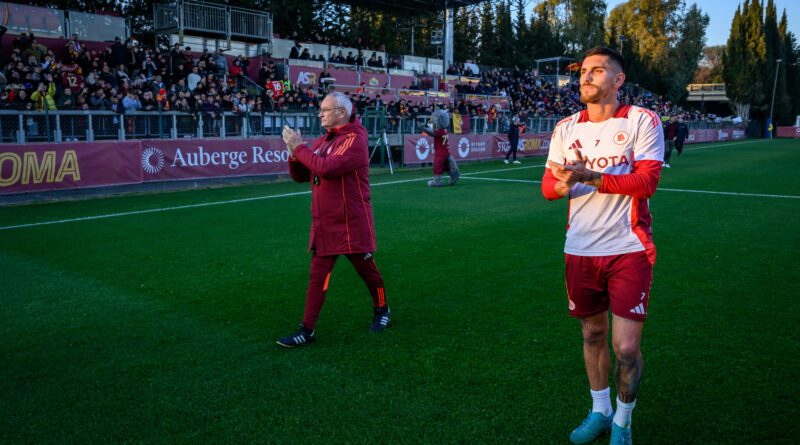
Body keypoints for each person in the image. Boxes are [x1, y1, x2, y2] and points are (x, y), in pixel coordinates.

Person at [541, 47, 664, 445]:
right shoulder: (565, 128)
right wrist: (565, 182)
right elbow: (548, 189)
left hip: (629, 249)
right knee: (592, 335)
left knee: (626, 348)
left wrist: (589, 176)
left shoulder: (642, 120)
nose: (586, 77)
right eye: (583, 72)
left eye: (597, 71)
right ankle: (600, 411)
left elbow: (646, 182)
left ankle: (623, 422)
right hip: (579, 249)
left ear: (618, 80)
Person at [277, 92, 391, 348]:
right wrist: (293, 153)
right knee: (318, 277)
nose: (320, 113)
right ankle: (307, 330)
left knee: (368, 273)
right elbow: (300, 175)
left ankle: (382, 309)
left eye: (325, 109)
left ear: (341, 112)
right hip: (325, 224)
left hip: (351, 223)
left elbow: (326, 170)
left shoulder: (355, 140)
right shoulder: (323, 141)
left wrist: (299, 147)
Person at [421, 109, 460, 187]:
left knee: (437, 164)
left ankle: (437, 180)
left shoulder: (440, 130)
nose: (435, 121)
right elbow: (432, 131)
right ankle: (454, 174)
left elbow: (432, 133)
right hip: (445, 150)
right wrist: (425, 128)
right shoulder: (443, 129)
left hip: (441, 151)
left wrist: (424, 128)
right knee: (445, 165)